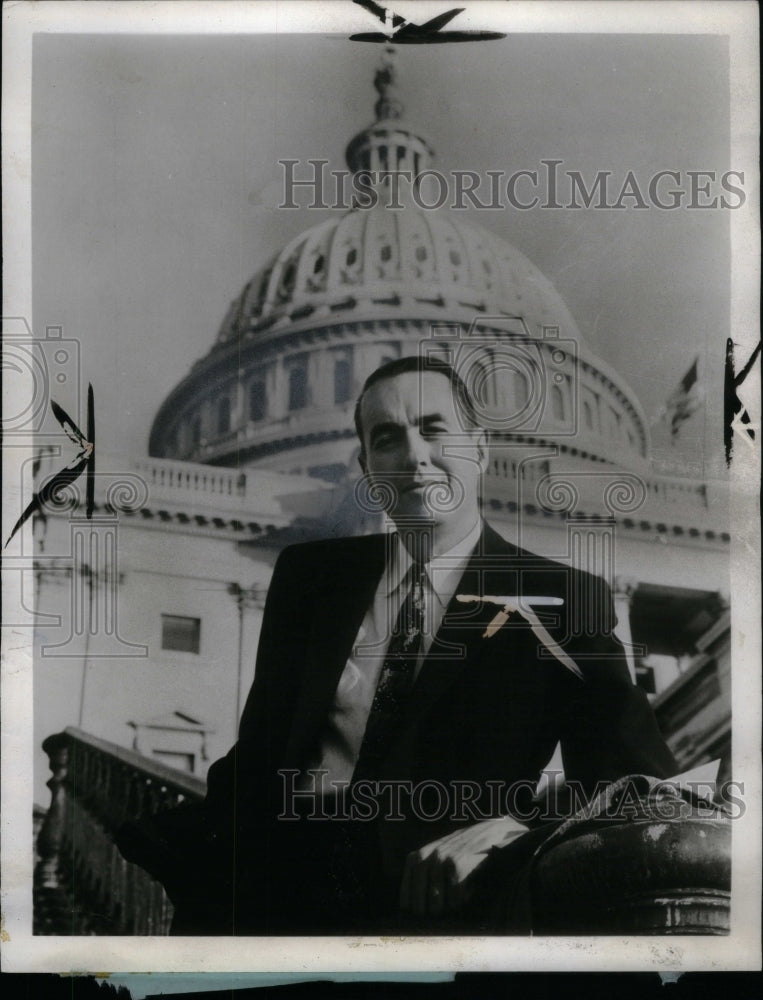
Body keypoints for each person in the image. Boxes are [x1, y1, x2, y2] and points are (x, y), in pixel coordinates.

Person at [118, 355, 676, 934]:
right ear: (367, 467)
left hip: (434, 910)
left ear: (479, 448)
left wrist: (517, 827)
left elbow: (641, 782)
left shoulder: (561, 598)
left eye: (434, 429)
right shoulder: (308, 579)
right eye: (388, 438)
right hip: (273, 903)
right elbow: (262, 752)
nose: (414, 456)